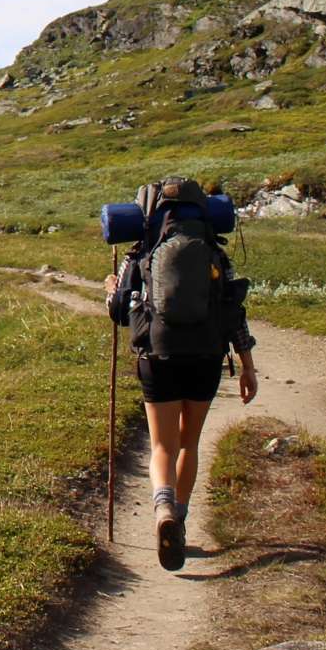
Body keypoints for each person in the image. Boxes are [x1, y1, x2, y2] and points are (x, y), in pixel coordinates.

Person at [103, 179, 258, 571]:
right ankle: (181, 519)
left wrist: (110, 289)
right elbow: (233, 312)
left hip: (158, 355)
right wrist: (247, 366)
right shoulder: (214, 253)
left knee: (161, 447)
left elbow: (120, 311)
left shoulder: (142, 251)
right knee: (189, 443)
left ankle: (163, 511)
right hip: (206, 355)